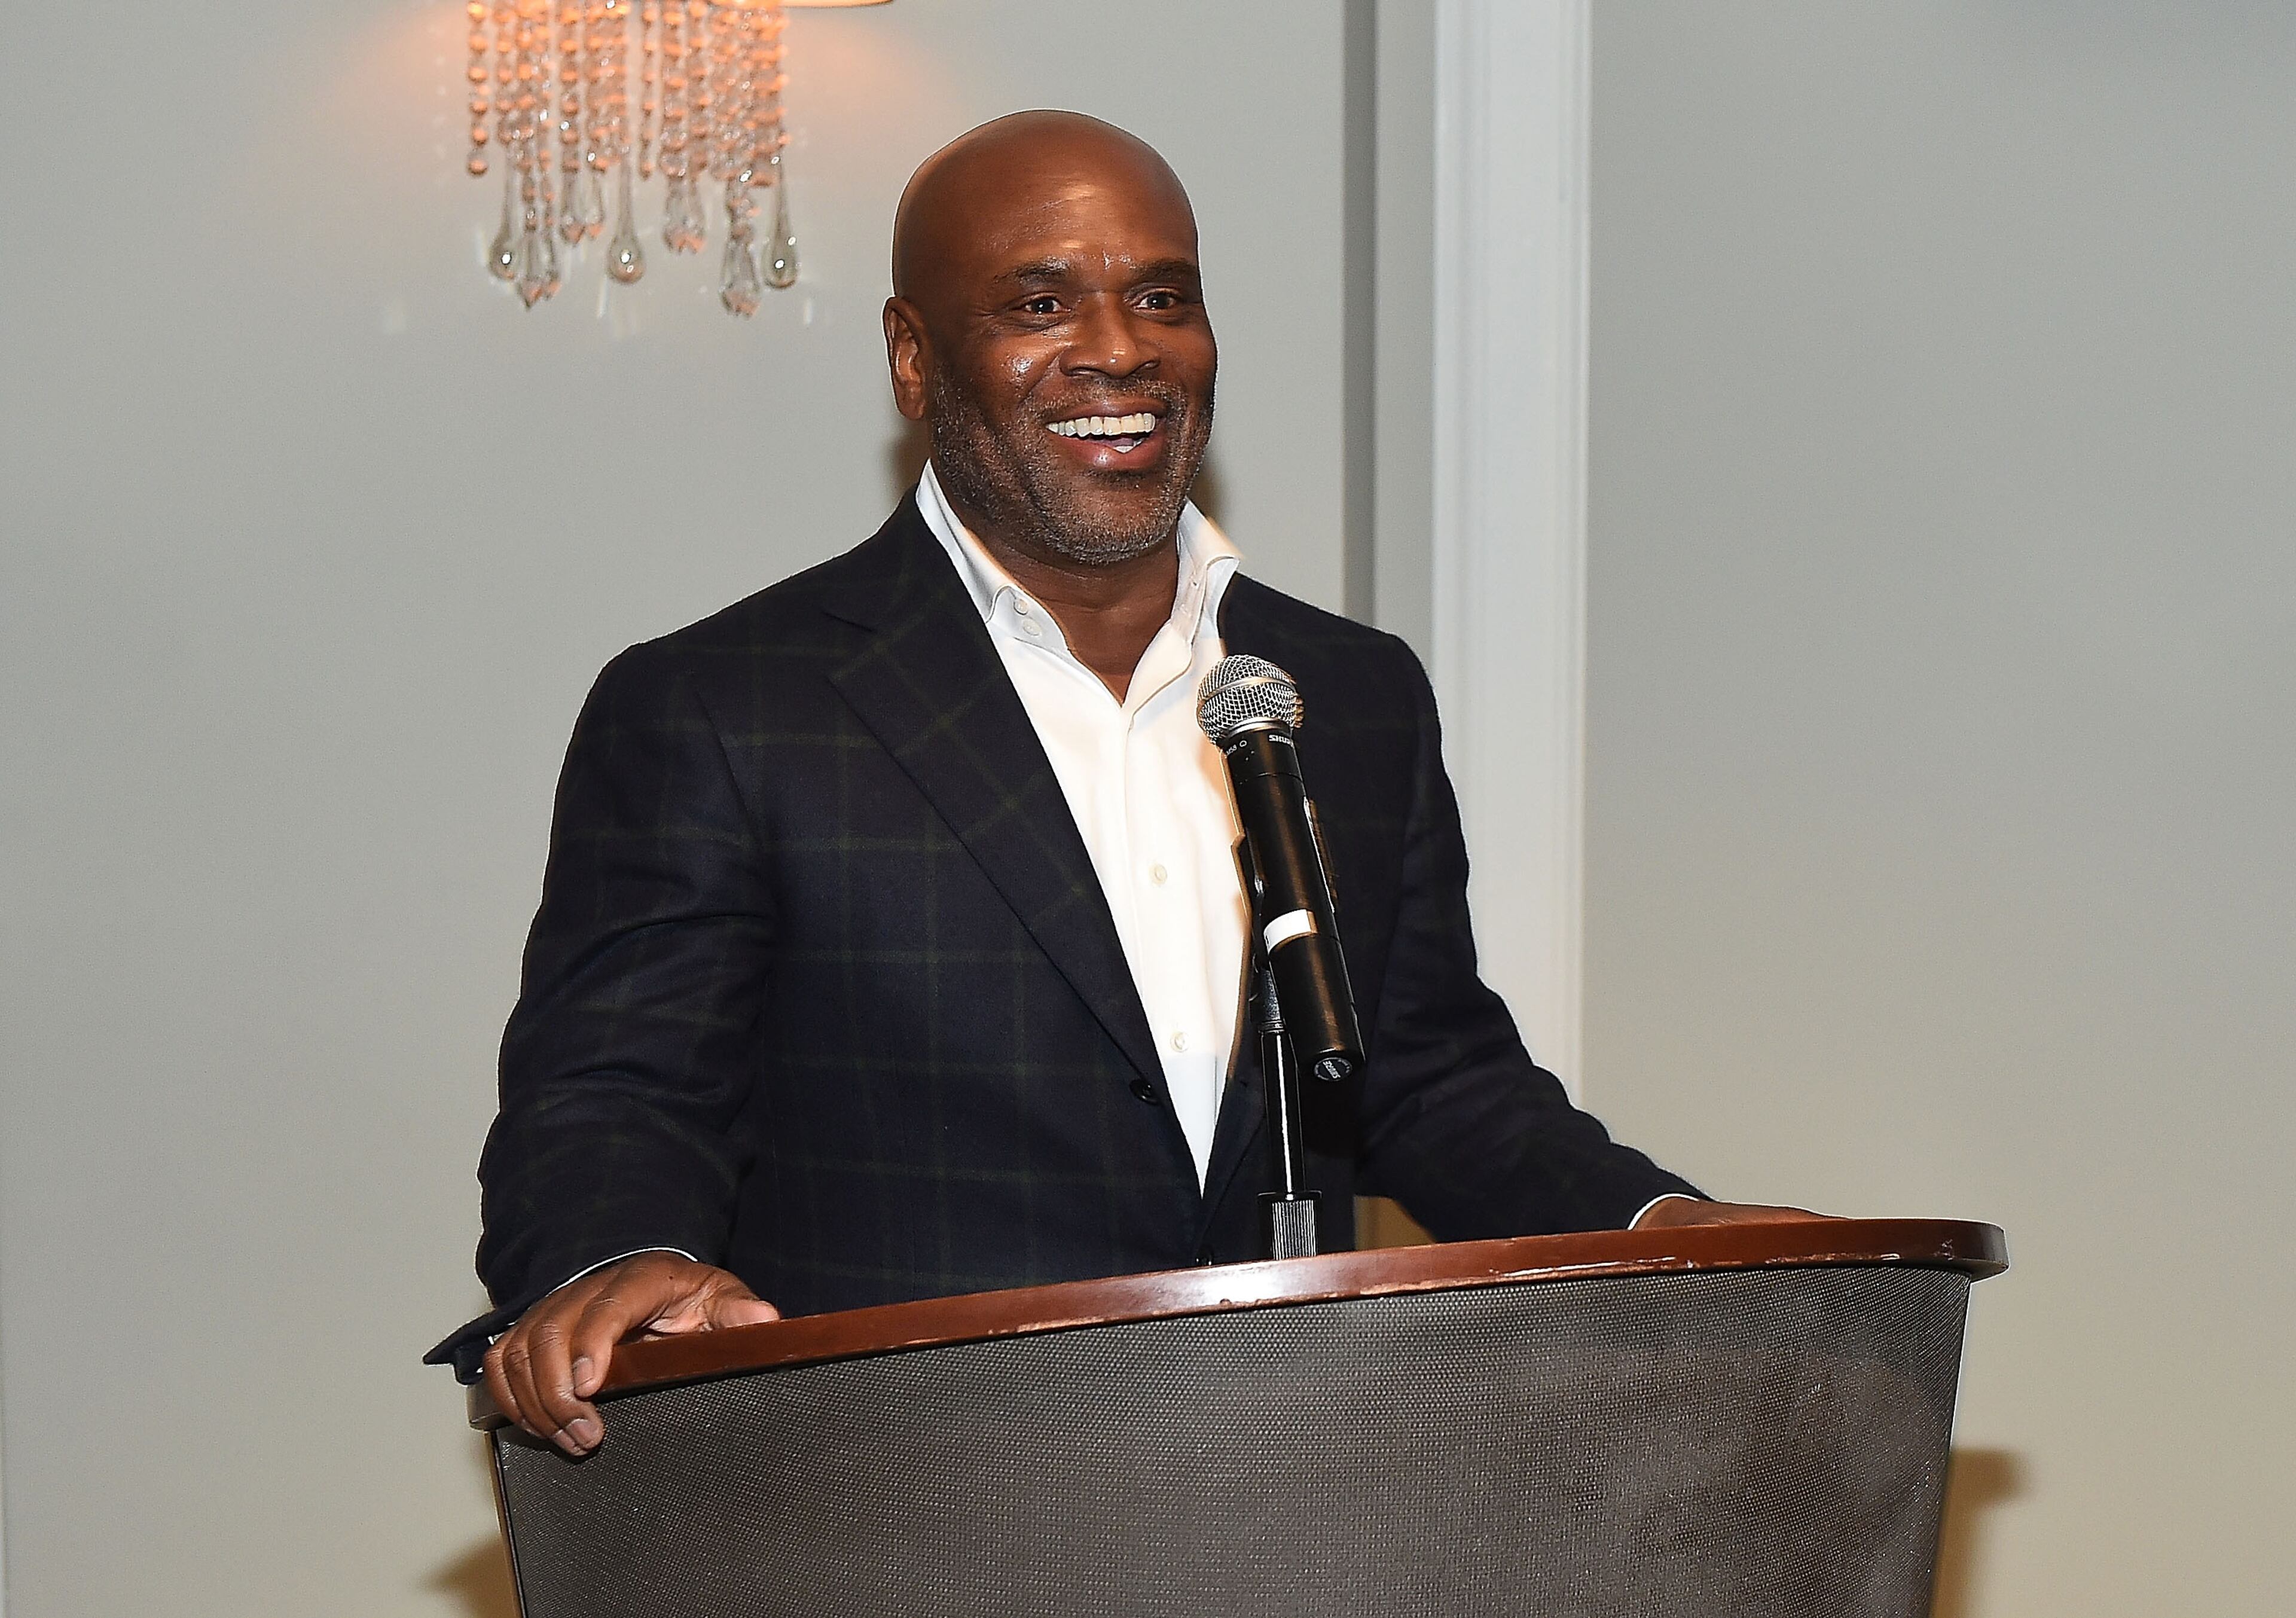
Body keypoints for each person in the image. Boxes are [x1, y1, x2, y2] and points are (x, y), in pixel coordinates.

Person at [429, 111, 1815, 1455]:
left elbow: (1429, 1081)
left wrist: (1663, 1227)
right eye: (1038, 305)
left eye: (1162, 297)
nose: (1118, 350)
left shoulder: (1348, 694)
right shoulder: (726, 706)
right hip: (902, 1506)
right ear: (915, 359)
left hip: (1290, 1492)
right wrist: (623, 1261)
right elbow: (614, 1094)